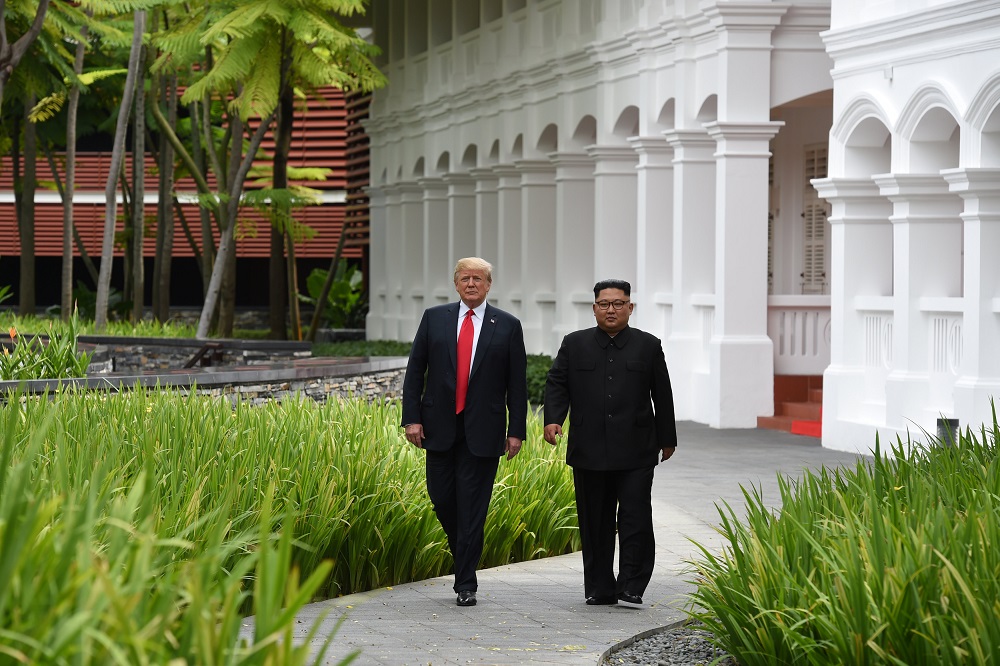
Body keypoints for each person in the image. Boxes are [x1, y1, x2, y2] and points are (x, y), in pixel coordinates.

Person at [401, 257, 528, 607]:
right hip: (438, 427)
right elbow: (415, 371)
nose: (471, 284)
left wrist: (516, 430)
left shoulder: (507, 325)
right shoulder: (434, 318)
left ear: (489, 285)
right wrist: (411, 419)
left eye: (478, 278)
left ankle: (466, 583)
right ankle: (465, 552)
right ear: (456, 283)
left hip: (484, 431)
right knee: (441, 497)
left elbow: (517, 384)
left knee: (472, 508)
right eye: (465, 278)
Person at [543, 279, 677, 606]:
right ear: (594, 309)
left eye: (618, 303)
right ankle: (600, 588)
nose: (611, 310)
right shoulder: (574, 344)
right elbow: (557, 383)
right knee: (595, 522)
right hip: (588, 449)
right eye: (604, 304)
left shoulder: (648, 345)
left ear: (630, 307)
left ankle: (632, 585)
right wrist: (554, 418)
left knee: (635, 518)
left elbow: (662, 394)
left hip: (637, 449)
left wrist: (667, 438)